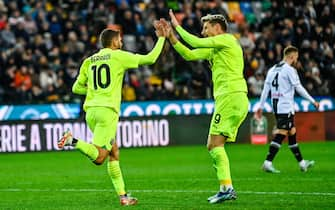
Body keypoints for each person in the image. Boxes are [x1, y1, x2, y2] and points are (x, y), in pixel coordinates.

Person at [57, 23, 167, 206]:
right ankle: (72, 141)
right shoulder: (118, 56)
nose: (122, 41)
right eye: (120, 38)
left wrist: (94, 91)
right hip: (107, 112)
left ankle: (124, 197)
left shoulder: (89, 60)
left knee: (113, 152)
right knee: (100, 157)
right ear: (113, 41)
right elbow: (151, 58)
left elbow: (76, 88)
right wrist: (162, 38)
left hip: (91, 111)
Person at [161, 10, 249, 204]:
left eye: (206, 27)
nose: (202, 31)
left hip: (230, 96)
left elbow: (195, 42)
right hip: (232, 98)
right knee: (214, 144)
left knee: (214, 144)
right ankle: (225, 188)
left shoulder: (226, 39)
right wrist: (171, 37)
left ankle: (227, 188)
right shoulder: (217, 48)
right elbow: (190, 54)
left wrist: (176, 25)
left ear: (217, 27)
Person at [257, 45, 319, 173]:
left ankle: (302, 164)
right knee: (282, 133)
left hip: (277, 108)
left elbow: (265, 90)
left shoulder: (272, 69)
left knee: (292, 132)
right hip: (285, 107)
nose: (297, 59)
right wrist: (312, 101)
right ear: (292, 56)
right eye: (296, 57)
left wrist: (260, 107)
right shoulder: (289, 70)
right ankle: (267, 163)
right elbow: (299, 88)